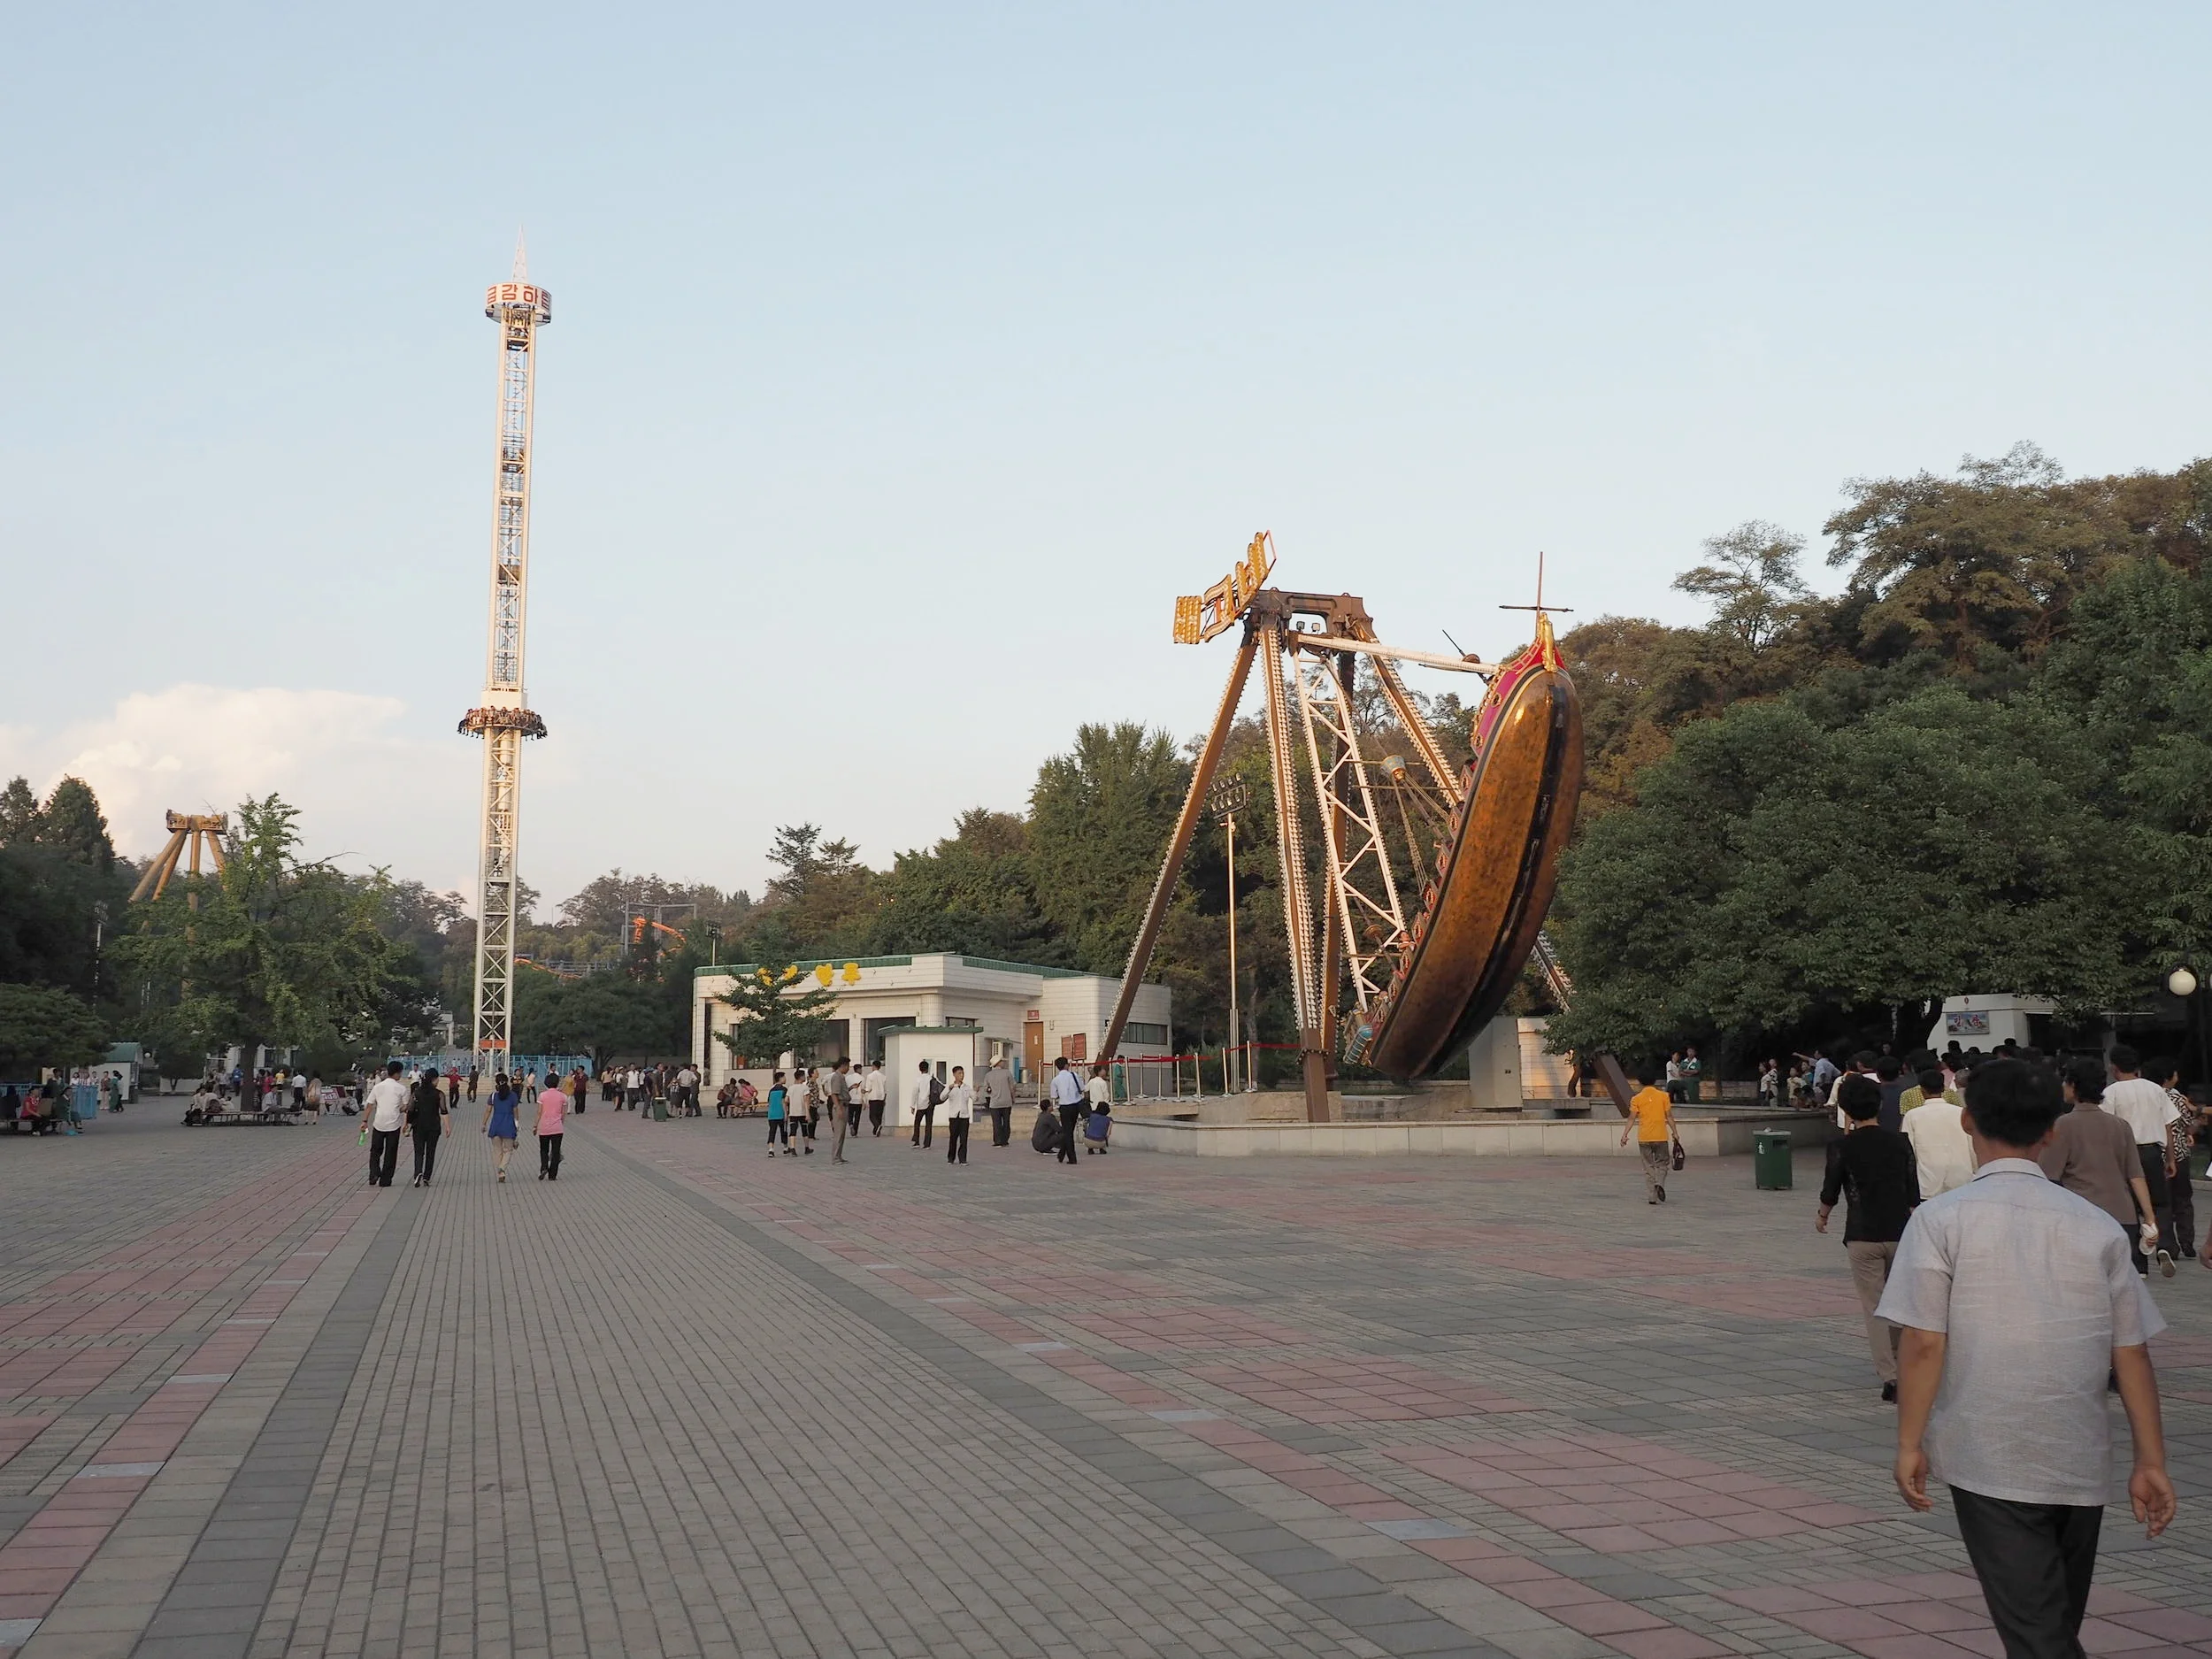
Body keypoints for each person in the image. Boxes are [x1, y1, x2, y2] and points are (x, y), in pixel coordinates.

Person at [1878, 1057, 2174, 1658]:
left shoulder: (1941, 1220)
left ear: (1968, 1122)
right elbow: (2132, 1351)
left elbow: (1924, 1341)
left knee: (2040, 1634)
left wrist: (1910, 1440)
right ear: (2050, 1131)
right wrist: (2151, 1459)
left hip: (1989, 1457)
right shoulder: (2095, 1227)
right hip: (2079, 1455)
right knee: (2051, 1622)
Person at [1817, 1074, 1920, 1402]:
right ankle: (1906, 1369)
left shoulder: (1841, 1147)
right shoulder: (1900, 1142)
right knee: (1900, 1303)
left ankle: (1890, 1378)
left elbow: (1831, 1186)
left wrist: (1823, 1215)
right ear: (1879, 1104)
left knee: (1874, 1306)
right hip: (1899, 1232)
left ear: (1846, 1110)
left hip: (1862, 1235)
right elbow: (1912, 1189)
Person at [2040, 1058, 2162, 1277]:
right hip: (2124, 1217)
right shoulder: (2120, 1125)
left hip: (2083, 1217)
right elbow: (2135, 1174)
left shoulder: (2063, 1125)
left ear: (2074, 1086)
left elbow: (2049, 1178)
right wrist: (2149, 1216)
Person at [2102, 1045, 2180, 1277]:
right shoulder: (2155, 1089)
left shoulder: (2111, 1092)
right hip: (2153, 1151)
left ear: (2114, 1067)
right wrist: (2171, 1156)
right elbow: (2168, 1124)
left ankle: (2140, 1264)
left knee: (2131, 1207)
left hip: (2126, 1154)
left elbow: (2107, 1127)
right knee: (2161, 1202)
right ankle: (2164, 1245)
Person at [2149, 1058, 2198, 1260]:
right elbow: (2189, 1120)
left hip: (2157, 1155)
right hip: (2179, 1155)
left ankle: (2168, 1245)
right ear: (2169, 1077)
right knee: (2183, 1199)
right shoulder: (2178, 1098)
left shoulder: (2150, 1097)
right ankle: (2187, 1240)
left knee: (2163, 1202)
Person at [1902, 1067, 1975, 1199]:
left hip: (1928, 1182)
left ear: (1921, 1090)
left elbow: (1909, 1151)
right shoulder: (1961, 1113)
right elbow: (1972, 1145)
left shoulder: (1912, 1116)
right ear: (1943, 1088)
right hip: (1962, 1179)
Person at [1618, 1064, 1675, 1202]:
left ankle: (1652, 1196)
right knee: (1662, 1163)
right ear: (1654, 1080)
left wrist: (1625, 1135)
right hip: (1660, 1136)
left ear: (1640, 1081)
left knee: (1648, 1166)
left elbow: (1631, 1118)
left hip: (1644, 1137)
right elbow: (1669, 1117)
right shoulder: (1664, 1096)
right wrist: (1675, 1133)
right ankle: (1659, 1183)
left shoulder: (1636, 1099)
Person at [365, 1060, 408, 1187]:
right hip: (393, 1125)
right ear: (398, 1073)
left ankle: (374, 1173)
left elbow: (369, 1105)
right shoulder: (401, 1088)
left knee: (375, 1151)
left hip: (379, 1123)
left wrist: (364, 1121)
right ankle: (385, 1180)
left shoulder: (378, 1087)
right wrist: (399, 1111)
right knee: (391, 1152)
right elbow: (406, 1107)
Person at [407, 1068, 450, 1187]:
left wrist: (406, 1124)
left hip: (418, 1126)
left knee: (419, 1151)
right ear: (434, 1079)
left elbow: (410, 1109)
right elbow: (444, 1111)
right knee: (431, 1152)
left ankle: (417, 1173)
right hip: (433, 1126)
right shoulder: (439, 1094)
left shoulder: (416, 1092)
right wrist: (447, 1127)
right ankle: (427, 1177)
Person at [482, 1072, 520, 1182]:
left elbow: (488, 1110)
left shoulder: (493, 1096)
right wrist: (517, 1123)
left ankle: (500, 1173)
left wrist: (484, 1124)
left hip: (496, 1125)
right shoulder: (513, 1095)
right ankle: (502, 1167)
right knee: (508, 1150)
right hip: (508, 1125)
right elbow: (515, 1111)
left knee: (497, 1150)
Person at [1050, 1056, 1085, 1165]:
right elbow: (1082, 1088)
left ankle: (1070, 1156)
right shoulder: (1074, 1075)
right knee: (1070, 1131)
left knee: (1067, 1131)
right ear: (1066, 1065)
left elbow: (1054, 1095)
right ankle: (1063, 1154)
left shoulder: (1055, 1080)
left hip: (1064, 1106)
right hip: (1075, 1105)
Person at [534, 1076, 566, 1180]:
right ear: (557, 1082)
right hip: (557, 1127)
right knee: (555, 1151)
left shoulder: (542, 1096)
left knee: (544, 1149)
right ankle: (553, 1175)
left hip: (544, 1127)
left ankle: (544, 1167)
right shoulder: (562, 1096)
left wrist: (535, 1125)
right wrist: (561, 1122)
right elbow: (563, 1114)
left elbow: (539, 1112)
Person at [979, 1055, 1015, 1148]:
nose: (1003, 1062)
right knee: (1006, 1122)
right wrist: (1013, 1098)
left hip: (994, 1103)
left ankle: (997, 1141)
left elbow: (986, 1089)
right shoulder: (1007, 1073)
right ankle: (1005, 1140)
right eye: (1002, 1061)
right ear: (998, 1063)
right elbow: (1012, 1087)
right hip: (1006, 1101)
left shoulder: (988, 1075)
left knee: (996, 1123)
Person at [941, 1065, 974, 1165]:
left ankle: (962, 1159)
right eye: (959, 1073)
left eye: (962, 1073)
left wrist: (976, 1091)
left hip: (964, 1116)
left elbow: (975, 1098)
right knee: (953, 1138)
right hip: (954, 1116)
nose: (961, 1075)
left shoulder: (966, 1087)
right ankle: (951, 1158)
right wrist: (949, 1088)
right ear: (954, 1074)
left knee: (964, 1139)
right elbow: (942, 1097)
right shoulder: (951, 1087)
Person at [826, 1059, 853, 1165]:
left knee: (842, 1133)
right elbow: (834, 1094)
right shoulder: (837, 1077)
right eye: (847, 1066)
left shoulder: (841, 1077)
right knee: (838, 1133)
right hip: (841, 1105)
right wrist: (838, 1108)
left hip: (844, 1104)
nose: (848, 1068)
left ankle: (839, 1155)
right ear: (843, 1066)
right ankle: (835, 1157)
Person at [1084, 1064, 1112, 1154]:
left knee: (1093, 1125)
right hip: (1102, 1107)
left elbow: (1085, 1089)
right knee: (1102, 1126)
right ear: (1099, 1072)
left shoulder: (1092, 1081)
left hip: (1093, 1107)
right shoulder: (1102, 1082)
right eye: (1103, 1070)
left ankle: (1090, 1147)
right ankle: (1101, 1147)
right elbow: (1106, 1095)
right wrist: (1107, 1103)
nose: (1105, 1071)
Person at [764, 1070, 794, 1156]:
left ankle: (771, 1149)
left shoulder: (771, 1090)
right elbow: (784, 1102)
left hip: (772, 1114)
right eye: (784, 1077)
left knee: (772, 1131)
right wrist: (786, 1113)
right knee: (783, 1131)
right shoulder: (784, 1089)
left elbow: (769, 1102)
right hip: (781, 1113)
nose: (785, 1079)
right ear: (780, 1078)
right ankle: (785, 1147)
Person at [909, 1062, 937, 1149]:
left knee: (917, 1122)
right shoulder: (931, 1079)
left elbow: (915, 1092)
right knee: (929, 1124)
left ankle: (916, 1141)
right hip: (930, 1104)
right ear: (927, 1068)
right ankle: (927, 1144)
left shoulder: (919, 1079)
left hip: (921, 1104)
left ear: (920, 1069)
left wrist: (912, 1105)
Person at [791, 1067, 816, 1153]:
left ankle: (793, 1148)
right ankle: (806, 1147)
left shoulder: (791, 1088)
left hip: (793, 1112)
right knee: (804, 1130)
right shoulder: (805, 1088)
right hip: (802, 1112)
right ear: (801, 1077)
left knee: (793, 1131)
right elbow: (807, 1101)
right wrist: (808, 1113)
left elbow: (786, 1100)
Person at [864, 1061, 887, 1135]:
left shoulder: (870, 1076)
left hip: (873, 1097)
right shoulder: (883, 1077)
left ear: (874, 1066)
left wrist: (865, 1091)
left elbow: (868, 1088)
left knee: (872, 1116)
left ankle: (877, 1126)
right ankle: (877, 1130)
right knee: (879, 1115)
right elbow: (885, 1090)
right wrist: (884, 1099)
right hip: (881, 1098)